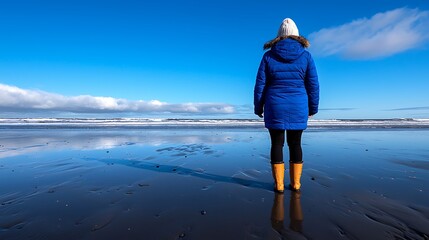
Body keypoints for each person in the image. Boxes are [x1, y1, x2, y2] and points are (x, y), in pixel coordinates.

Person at [254, 18, 319, 193]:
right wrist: (312, 108)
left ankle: (279, 185)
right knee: (295, 144)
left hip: (274, 105)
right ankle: (296, 184)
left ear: (279, 36)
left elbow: (260, 84)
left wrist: (258, 107)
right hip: (298, 105)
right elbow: (313, 84)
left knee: (276, 144)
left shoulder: (268, 56)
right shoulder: (306, 56)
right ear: (297, 35)